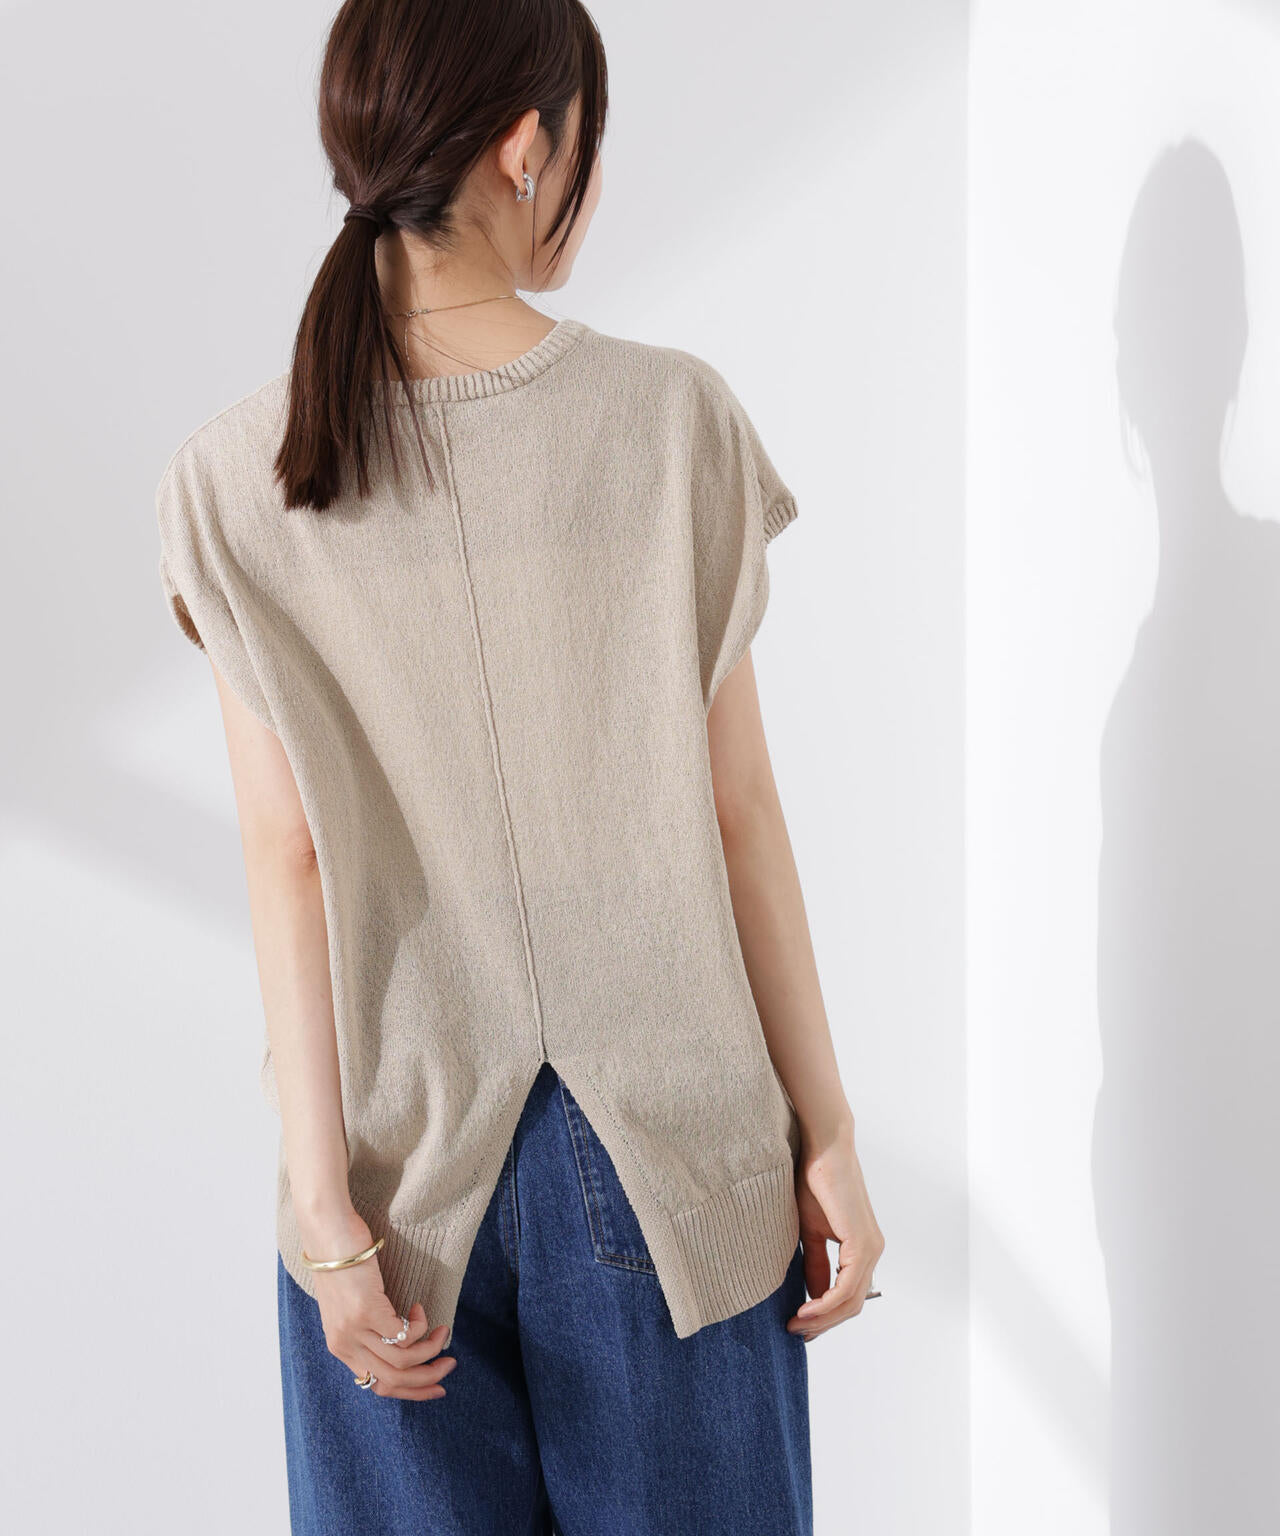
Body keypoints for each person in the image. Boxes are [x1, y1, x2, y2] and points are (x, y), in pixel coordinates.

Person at [154, 0, 884, 1530]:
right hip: (672, 1153)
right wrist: (827, 1134)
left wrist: (323, 1203)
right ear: (528, 144)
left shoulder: (233, 477)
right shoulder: (670, 420)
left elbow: (287, 856)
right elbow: (739, 811)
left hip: (391, 1177)